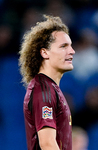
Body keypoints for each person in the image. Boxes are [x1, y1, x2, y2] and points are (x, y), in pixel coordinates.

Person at [19, 15, 75, 150]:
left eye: (71, 46)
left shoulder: (49, 88)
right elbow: (47, 144)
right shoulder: (43, 90)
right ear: (45, 52)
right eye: (63, 46)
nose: (72, 51)